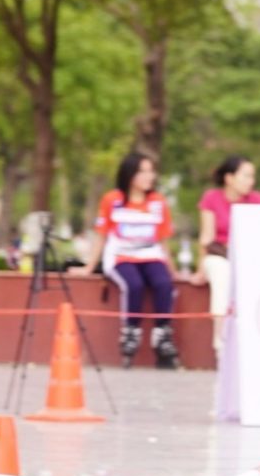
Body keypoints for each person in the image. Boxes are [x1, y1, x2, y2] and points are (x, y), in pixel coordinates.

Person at [69, 152, 179, 369]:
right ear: (130, 175)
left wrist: (173, 270)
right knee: (134, 285)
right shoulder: (113, 200)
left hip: (150, 253)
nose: (150, 176)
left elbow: (163, 239)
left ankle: (162, 335)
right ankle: (130, 332)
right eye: (143, 171)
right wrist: (89, 267)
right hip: (121, 255)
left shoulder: (158, 202)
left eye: (151, 171)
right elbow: (101, 234)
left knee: (163, 284)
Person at [191, 156, 260, 356]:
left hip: (246, 257)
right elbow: (206, 237)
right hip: (218, 256)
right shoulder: (211, 198)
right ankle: (221, 341)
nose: (251, 181)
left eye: (252, 176)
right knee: (222, 273)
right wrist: (200, 269)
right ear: (229, 178)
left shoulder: (257, 200)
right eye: (246, 176)